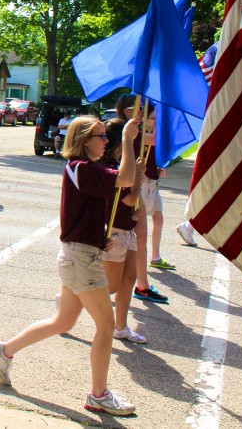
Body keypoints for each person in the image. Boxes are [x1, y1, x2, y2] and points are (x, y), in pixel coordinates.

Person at [0, 115, 141, 417]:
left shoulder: (88, 170)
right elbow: (125, 178)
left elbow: (125, 184)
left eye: (106, 136)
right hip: (80, 259)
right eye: (100, 136)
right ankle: (99, 395)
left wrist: (100, 239)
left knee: (62, 322)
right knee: (107, 326)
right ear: (85, 141)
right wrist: (127, 137)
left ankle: (4, 350)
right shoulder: (80, 168)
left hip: (80, 255)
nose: (105, 140)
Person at [115, 95, 169, 304]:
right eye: (147, 113)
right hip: (123, 190)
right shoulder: (122, 131)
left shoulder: (135, 132)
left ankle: (142, 285)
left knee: (140, 237)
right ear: (129, 111)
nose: (150, 118)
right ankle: (81, 291)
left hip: (137, 186)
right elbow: (157, 140)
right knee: (115, 239)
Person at [99, 118, 146, 345]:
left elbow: (133, 203)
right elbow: (130, 198)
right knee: (112, 285)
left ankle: (121, 327)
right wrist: (137, 177)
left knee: (129, 279)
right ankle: (71, 299)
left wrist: (137, 212)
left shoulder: (120, 165)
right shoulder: (112, 168)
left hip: (128, 230)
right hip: (115, 232)